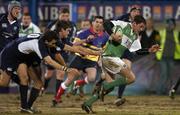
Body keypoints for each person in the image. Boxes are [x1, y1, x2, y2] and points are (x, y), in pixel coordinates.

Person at [81, 15, 160, 114]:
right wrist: (113, 35)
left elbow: (138, 51)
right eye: (140, 26)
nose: (141, 29)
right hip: (109, 57)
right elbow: (106, 23)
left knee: (111, 87)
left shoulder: (135, 37)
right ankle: (104, 85)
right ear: (134, 23)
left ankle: (87, 103)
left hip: (109, 59)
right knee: (131, 78)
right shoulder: (123, 25)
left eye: (143, 28)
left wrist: (149, 50)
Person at [52, 16, 109, 106]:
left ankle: (78, 83)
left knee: (92, 78)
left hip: (91, 60)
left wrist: (101, 62)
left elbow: (102, 51)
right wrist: (86, 40)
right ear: (93, 23)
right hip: (79, 58)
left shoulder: (105, 36)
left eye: (101, 22)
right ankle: (57, 97)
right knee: (69, 79)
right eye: (96, 22)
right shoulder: (83, 33)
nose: (98, 24)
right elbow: (73, 44)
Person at [43, 8, 77, 95]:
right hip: (52, 51)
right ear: (59, 15)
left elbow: (73, 38)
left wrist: (72, 47)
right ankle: (42, 89)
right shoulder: (52, 25)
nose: (65, 17)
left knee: (61, 73)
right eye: (63, 15)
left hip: (64, 51)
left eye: (67, 16)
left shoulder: (73, 25)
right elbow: (46, 36)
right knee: (49, 74)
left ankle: (57, 96)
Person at [114, 5, 141, 106]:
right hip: (117, 48)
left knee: (127, 71)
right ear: (130, 12)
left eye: (138, 11)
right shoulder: (122, 18)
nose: (136, 13)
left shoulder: (140, 22)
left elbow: (138, 36)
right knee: (107, 74)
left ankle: (119, 97)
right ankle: (100, 84)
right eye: (134, 11)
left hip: (127, 49)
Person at [0, 0, 21, 92]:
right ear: (10, 9)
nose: (18, 11)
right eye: (16, 8)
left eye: (19, 9)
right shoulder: (1, 19)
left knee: (5, 82)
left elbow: (15, 41)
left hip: (8, 56)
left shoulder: (17, 25)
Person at [156, 18, 180, 95]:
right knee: (164, 74)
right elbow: (156, 43)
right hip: (163, 57)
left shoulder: (177, 34)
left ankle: (169, 91)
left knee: (170, 75)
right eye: (168, 24)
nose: (170, 26)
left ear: (174, 26)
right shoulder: (161, 33)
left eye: (172, 24)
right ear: (166, 25)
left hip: (172, 57)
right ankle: (160, 91)